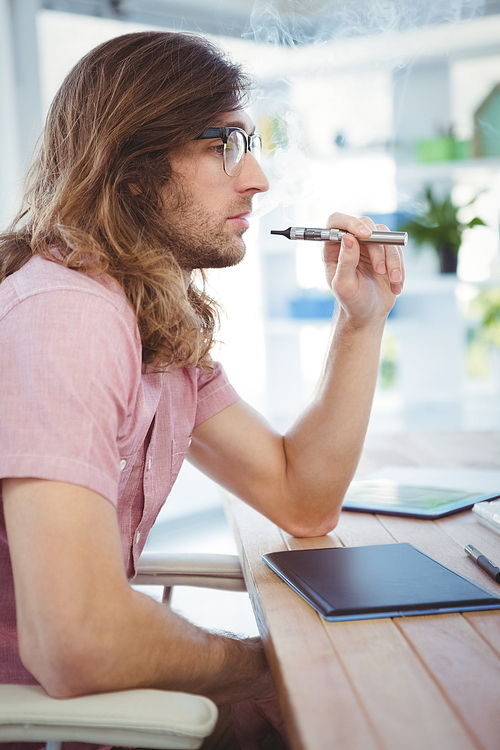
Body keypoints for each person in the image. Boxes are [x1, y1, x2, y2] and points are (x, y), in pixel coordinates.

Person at [0, 30, 404, 750]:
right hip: (48, 723)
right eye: (224, 145)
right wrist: (262, 664)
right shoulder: (67, 318)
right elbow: (78, 641)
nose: (256, 179)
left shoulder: (150, 321)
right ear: (133, 165)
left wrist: (360, 323)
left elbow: (300, 496)